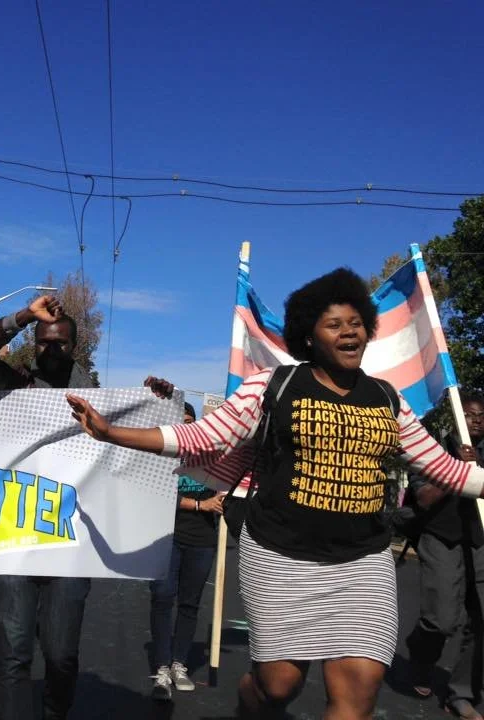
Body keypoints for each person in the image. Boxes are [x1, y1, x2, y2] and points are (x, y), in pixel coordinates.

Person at [66, 268, 484, 720]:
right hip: (280, 558)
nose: (349, 332)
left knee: (359, 689)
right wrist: (112, 433)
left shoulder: (387, 399)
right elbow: (202, 437)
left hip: (363, 563)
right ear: (309, 337)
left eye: (356, 323)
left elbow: (448, 471)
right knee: (277, 685)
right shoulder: (273, 386)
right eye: (334, 325)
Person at [0, 294, 93, 720]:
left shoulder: (98, 398)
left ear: (74, 346)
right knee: (13, 654)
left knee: (61, 655)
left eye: (60, 342)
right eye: (42, 341)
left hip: (69, 548)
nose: (50, 348)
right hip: (16, 541)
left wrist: (156, 398)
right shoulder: (16, 385)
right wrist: (22, 316)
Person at [405, 391, 484, 719]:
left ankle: (461, 693)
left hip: (478, 541)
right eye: (469, 415)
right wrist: (459, 471)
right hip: (441, 537)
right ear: (456, 417)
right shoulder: (433, 450)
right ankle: (421, 655)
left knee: (481, 618)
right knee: (442, 620)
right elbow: (424, 498)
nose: (476, 421)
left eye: (481, 416)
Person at [149, 402, 224, 700]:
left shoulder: (212, 456)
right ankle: (162, 667)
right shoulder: (160, 455)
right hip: (165, 537)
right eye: (180, 422)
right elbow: (155, 492)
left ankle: (179, 664)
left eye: (190, 421)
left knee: (190, 604)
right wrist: (199, 504)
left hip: (202, 538)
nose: (186, 426)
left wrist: (225, 493)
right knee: (163, 597)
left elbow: (230, 485)